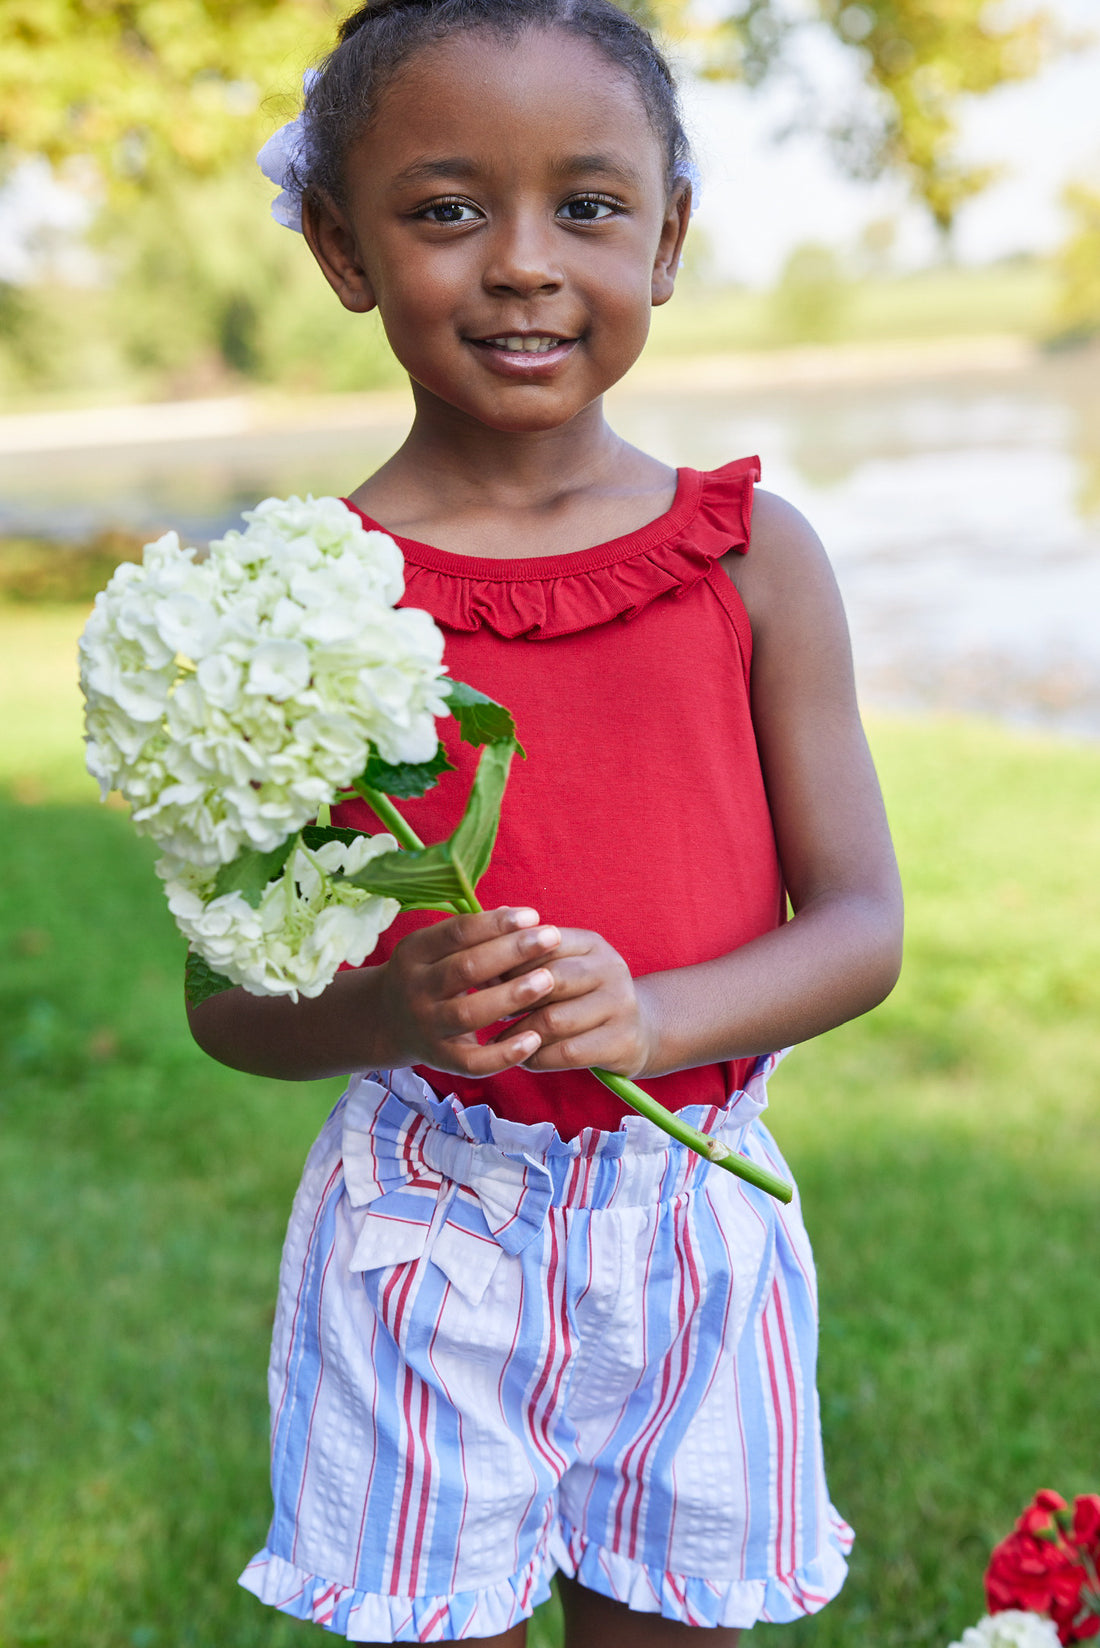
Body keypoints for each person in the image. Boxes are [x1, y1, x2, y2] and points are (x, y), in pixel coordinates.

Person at [187, 0, 903, 1641]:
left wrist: (655, 1018)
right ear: (341, 247)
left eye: (586, 205)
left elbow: (863, 927)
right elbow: (222, 998)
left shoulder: (753, 560)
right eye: (447, 209)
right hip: (421, 1234)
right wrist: (387, 1009)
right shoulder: (297, 604)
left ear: (668, 239)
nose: (522, 264)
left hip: (690, 1225)